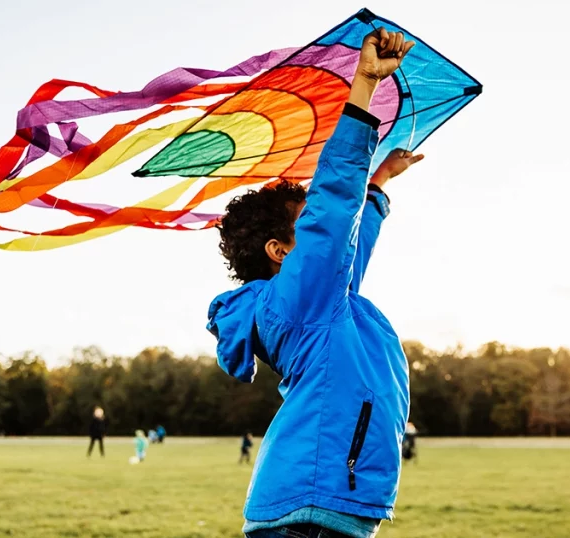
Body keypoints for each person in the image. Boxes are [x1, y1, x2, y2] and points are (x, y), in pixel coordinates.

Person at [207, 28, 418, 538]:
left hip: (317, 507)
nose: (328, 230)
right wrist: (364, 85)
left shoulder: (324, 298)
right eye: (308, 224)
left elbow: (346, 237)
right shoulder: (300, 301)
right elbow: (331, 208)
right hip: (307, 515)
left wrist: (379, 185)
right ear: (280, 253)